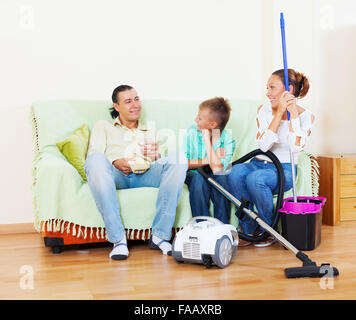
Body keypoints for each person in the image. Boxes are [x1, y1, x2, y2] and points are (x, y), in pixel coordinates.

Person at [84, 85, 188, 260]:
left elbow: (164, 165)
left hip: (145, 174)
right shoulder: (103, 126)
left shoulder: (151, 131)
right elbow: (95, 154)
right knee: (94, 159)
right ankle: (118, 240)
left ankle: (160, 236)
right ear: (116, 106)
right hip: (115, 175)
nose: (135, 105)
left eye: (137, 99)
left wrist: (155, 156)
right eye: (128, 101)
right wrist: (115, 162)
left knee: (178, 158)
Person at [227, 69, 315, 247]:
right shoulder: (264, 110)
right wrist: (278, 112)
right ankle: (249, 229)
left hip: (284, 170)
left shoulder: (307, 117)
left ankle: (268, 230)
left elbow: (295, 146)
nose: (267, 93)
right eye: (267, 88)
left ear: (288, 89)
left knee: (256, 179)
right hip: (258, 162)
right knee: (234, 172)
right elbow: (264, 145)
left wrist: (293, 116)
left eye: (272, 88)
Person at [183, 97, 236, 224]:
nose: (196, 119)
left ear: (213, 125)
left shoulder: (226, 138)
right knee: (198, 180)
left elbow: (218, 169)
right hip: (194, 173)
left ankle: (222, 226)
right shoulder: (191, 132)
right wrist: (209, 159)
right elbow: (185, 164)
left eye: (200, 118)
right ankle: (202, 225)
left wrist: (207, 141)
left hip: (214, 172)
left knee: (222, 178)